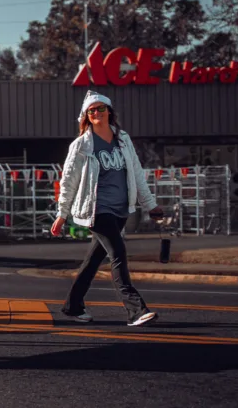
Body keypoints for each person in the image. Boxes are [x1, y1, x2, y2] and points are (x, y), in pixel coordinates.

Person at [51, 91, 163, 326]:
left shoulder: (123, 139)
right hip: (96, 210)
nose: (97, 113)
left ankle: (73, 306)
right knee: (118, 254)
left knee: (93, 261)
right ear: (86, 116)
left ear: (110, 112)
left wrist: (150, 205)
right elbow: (68, 180)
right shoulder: (81, 145)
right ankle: (135, 310)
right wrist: (62, 215)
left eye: (101, 109)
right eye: (92, 110)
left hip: (120, 209)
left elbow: (136, 173)